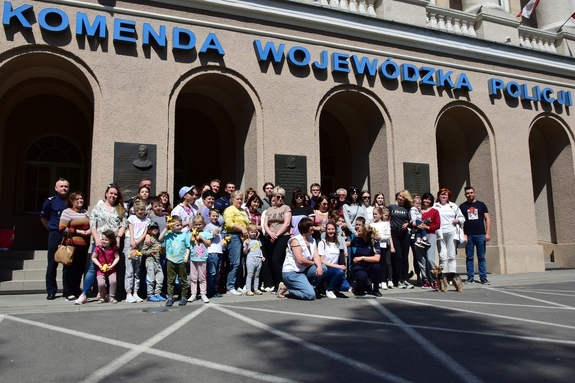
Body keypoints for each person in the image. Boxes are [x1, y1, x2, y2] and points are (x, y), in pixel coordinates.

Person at [75, 183, 126, 305]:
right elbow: (93, 225)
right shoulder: (98, 208)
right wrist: (97, 238)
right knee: (93, 268)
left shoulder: (120, 209)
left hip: (113, 245)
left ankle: (109, 294)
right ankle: (85, 294)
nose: (113, 196)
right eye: (111, 193)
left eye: (115, 194)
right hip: (100, 243)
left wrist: (118, 237)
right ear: (106, 194)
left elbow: (123, 225)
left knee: (112, 269)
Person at [277, 218, 326, 300]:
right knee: (310, 295)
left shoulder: (312, 240)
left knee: (323, 268)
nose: (313, 227)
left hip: (303, 271)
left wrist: (319, 266)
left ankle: (306, 289)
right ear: (305, 227)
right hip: (292, 273)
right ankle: (288, 288)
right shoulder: (295, 240)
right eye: (311, 226)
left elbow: (316, 256)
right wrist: (315, 263)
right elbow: (300, 260)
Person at [58, 191, 91, 302]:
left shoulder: (86, 212)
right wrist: (79, 232)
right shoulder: (67, 212)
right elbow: (62, 228)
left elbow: (92, 224)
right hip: (72, 246)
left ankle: (76, 289)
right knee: (70, 269)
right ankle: (68, 292)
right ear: (72, 201)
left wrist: (89, 231)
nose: (80, 200)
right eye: (77, 199)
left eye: (81, 198)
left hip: (84, 246)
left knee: (80, 269)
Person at [40, 178, 69, 300]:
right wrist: (52, 230)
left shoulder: (70, 201)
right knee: (52, 263)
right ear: (56, 188)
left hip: (68, 235)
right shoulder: (50, 201)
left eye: (66, 186)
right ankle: (51, 291)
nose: (64, 188)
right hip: (55, 234)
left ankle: (68, 290)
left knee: (68, 263)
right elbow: (43, 218)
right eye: (61, 186)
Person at [460, 186, 491, 285]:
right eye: (468, 193)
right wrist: (463, 234)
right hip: (468, 235)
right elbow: (461, 222)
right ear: (465, 195)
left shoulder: (481, 205)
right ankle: (470, 277)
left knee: (481, 256)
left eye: (471, 192)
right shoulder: (462, 206)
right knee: (469, 257)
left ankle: (483, 277)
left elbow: (487, 219)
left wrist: (488, 233)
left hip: (480, 234)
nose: (470, 194)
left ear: (474, 193)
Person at [263, 186, 292, 292]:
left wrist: (277, 235)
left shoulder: (286, 208)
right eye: (279, 197)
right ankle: (276, 284)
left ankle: (281, 283)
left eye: (282, 197)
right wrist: (270, 233)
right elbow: (266, 224)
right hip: (270, 237)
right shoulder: (269, 210)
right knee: (272, 261)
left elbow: (287, 223)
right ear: (274, 197)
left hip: (282, 236)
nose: (281, 199)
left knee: (276, 260)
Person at [223, 190, 250, 295]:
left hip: (243, 238)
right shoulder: (230, 210)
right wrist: (241, 228)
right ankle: (230, 287)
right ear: (232, 200)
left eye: (241, 199)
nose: (239, 201)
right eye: (237, 199)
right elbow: (229, 224)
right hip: (233, 236)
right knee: (235, 263)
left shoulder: (243, 211)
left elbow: (247, 223)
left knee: (241, 263)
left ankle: (237, 285)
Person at [159, 215, 190, 307]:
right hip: (171, 260)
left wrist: (186, 256)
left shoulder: (184, 235)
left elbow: (188, 247)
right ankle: (170, 297)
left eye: (181, 225)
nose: (180, 227)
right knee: (170, 280)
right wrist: (166, 228)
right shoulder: (168, 235)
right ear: (172, 226)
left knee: (183, 280)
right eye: (177, 225)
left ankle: (184, 297)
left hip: (181, 260)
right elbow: (160, 238)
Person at [434, 188, 465, 276]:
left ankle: (452, 277)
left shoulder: (453, 206)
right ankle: (442, 277)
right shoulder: (435, 206)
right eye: (441, 194)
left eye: (445, 195)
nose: (443, 196)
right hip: (440, 233)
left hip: (451, 232)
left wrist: (458, 220)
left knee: (451, 256)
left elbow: (462, 217)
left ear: (448, 197)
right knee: (442, 256)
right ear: (438, 196)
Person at [414, 192, 441, 290]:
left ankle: (435, 280)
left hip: (430, 235)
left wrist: (427, 227)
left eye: (429, 199)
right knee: (421, 260)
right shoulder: (417, 210)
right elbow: (413, 220)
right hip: (418, 237)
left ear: (431, 201)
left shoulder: (435, 211)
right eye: (425, 199)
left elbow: (438, 225)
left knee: (430, 259)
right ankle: (426, 280)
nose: (427, 201)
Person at [351, 218, 383, 296]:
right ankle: (360, 287)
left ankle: (376, 289)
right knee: (362, 276)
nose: (357, 232)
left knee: (378, 267)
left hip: (369, 265)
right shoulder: (356, 240)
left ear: (365, 233)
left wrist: (362, 257)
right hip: (359, 266)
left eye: (359, 231)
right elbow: (349, 244)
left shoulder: (374, 242)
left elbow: (377, 258)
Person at [389, 190, 414, 289]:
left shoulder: (408, 208)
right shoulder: (392, 207)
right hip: (395, 233)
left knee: (405, 257)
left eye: (403, 197)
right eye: (400, 196)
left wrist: (408, 224)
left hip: (404, 234)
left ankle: (405, 279)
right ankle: (399, 280)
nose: (400, 198)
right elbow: (387, 218)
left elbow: (411, 220)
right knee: (398, 257)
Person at [318, 222, 347, 298]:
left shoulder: (337, 243)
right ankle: (329, 290)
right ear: (326, 231)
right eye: (329, 229)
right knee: (340, 272)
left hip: (335, 270)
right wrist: (338, 266)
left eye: (333, 229)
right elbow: (322, 261)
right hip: (326, 270)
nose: (331, 231)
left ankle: (331, 285)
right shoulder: (322, 243)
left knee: (345, 287)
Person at [188, 215, 212, 303]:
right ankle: (193, 294)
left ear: (203, 224)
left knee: (202, 277)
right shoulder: (191, 233)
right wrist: (193, 235)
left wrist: (201, 237)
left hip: (202, 258)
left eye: (199, 224)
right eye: (196, 225)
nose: (198, 226)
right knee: (193, 277)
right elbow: (189, 242)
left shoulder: (206, 234)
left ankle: (203, 293)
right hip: (193, 258)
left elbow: (209, 243)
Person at [91, 230, 120, 304]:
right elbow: (93, 257)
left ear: (111, 241)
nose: (103, 241)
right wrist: (99, 265)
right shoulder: (98, 248)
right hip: (101, 269)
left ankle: (112, 296)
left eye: (106, 240)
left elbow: (117, 257)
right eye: (102, 239)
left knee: (113, 281)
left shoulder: (113, 249)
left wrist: (112, 266)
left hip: (111, 269)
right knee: (101, 283)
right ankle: (102, 296)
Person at [141, 221, 165, 301]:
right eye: (152, 228)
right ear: (149, 230)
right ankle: (149, 294)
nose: (155, 229)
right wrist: (150, 252)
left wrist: (162, 251)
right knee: (151, 279)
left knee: (160, 277)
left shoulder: (159, 239)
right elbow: (143, 251)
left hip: (157, 261)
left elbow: (161, 252)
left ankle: (157, 293)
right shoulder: (149, 239)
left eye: (156, 228)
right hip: (150, 261)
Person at [371, 207, 394, 290]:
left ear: (380, 215)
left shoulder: (385, 224)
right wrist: (373, 237)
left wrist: (380, 237)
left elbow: (388, 235)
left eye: (376, 214)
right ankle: (376, 281)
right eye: (373, 214)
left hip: (382, 245)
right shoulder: (371, 224)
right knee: (375, 264)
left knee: (383, 264)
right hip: (374, 247)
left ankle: (383, 281)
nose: (374, 215)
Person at [205, 208, 224, 298]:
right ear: (209, 216)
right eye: (213, 216)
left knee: (216, 273)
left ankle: (214, 290)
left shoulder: (219, 226)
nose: (215, 217)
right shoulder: (208, 226)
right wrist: (212, 234)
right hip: (212, 252)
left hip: (219, 251)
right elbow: (205, 237)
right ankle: (210, 291)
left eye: (217, 216)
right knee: (212, 273)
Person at [243, 224, 264, 296]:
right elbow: (245, 252)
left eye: (254, 232)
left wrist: (262, 256)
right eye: (251, 232)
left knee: (257, 275)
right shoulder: (246, 241)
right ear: (248, 233)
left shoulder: (258, 240)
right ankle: (248, 289)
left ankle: (256, 288)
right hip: (251, 258)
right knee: (250, 274)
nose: (253, 233)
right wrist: (246, 245)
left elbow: (260, 249)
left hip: (258, 258)